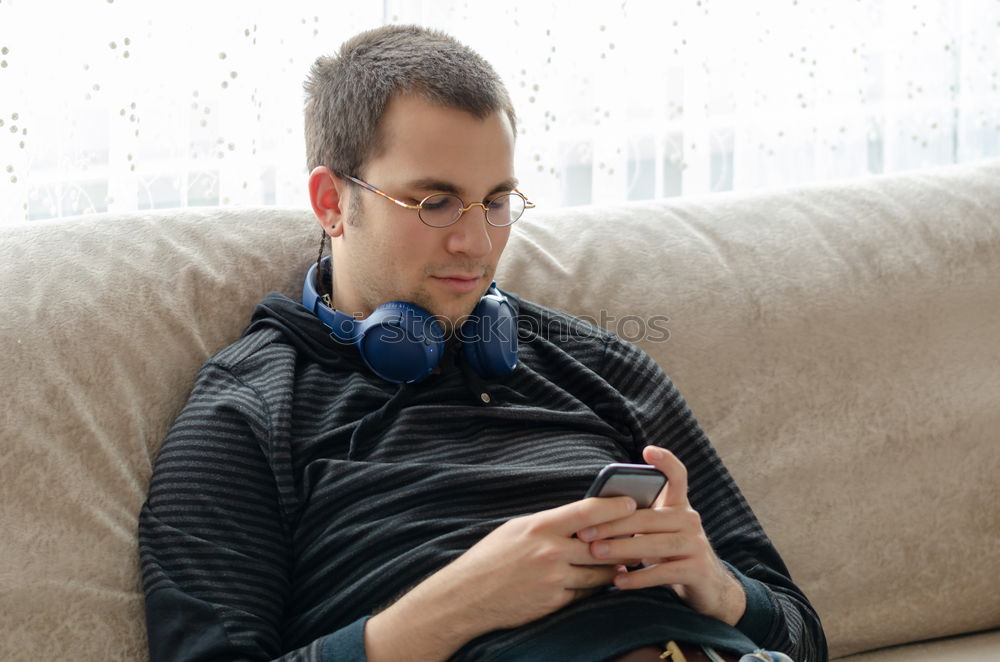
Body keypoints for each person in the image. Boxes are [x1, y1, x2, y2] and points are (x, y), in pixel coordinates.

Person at [138, 25, 827, 662]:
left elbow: (803, 634)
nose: (476, 242)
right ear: (330, 203)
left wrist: (719, 587)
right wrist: (457, 606)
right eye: (434, 203)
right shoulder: (248, 412)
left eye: (496, 201)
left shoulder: (599, 366)